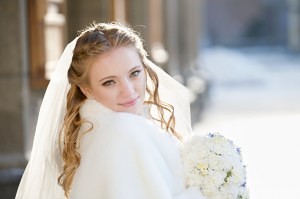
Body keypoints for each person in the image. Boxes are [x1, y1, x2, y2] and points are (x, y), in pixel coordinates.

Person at [15, 22, 206, 199]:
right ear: (86, 89)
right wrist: (208, 191)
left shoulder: (93, 131)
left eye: (134, 73)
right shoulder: (122, 131)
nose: (129, 91)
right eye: (109, 82)